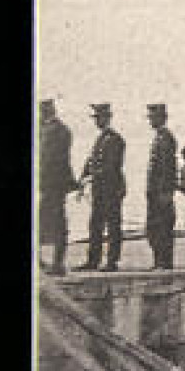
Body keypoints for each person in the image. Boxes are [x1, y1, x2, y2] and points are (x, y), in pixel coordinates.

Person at [75, 103, 126, 272]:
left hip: (111, 188)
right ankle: (93, 260)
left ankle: (112, 262)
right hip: (99, 188)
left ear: (107, 118)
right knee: (95, 224)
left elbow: (111, 166)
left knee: (112, 226)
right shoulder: (100, 139)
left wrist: (93, 176)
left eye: (99, 118)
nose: (96, 121)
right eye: (95, 118)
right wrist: (82, 178)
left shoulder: (115, 139)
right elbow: (91, 161)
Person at [38, 100, 75, 276]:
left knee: (56, 222)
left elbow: (53, 160)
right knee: (45, 220)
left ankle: (57, 264)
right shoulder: (48, 129)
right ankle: (45, 262)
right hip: (49, 184)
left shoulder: (58, 131)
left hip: (53, 184)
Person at [144, 104, 179, 270]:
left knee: (162, 226)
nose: (150, 120)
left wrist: (166, 191)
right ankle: (160, 260)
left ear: (161, 118)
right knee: (155, 227)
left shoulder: (165, 138)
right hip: (156, 191)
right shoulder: (160, 137)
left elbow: (168, 167)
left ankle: (164, 261)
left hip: (161, 191)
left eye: (153, 117)